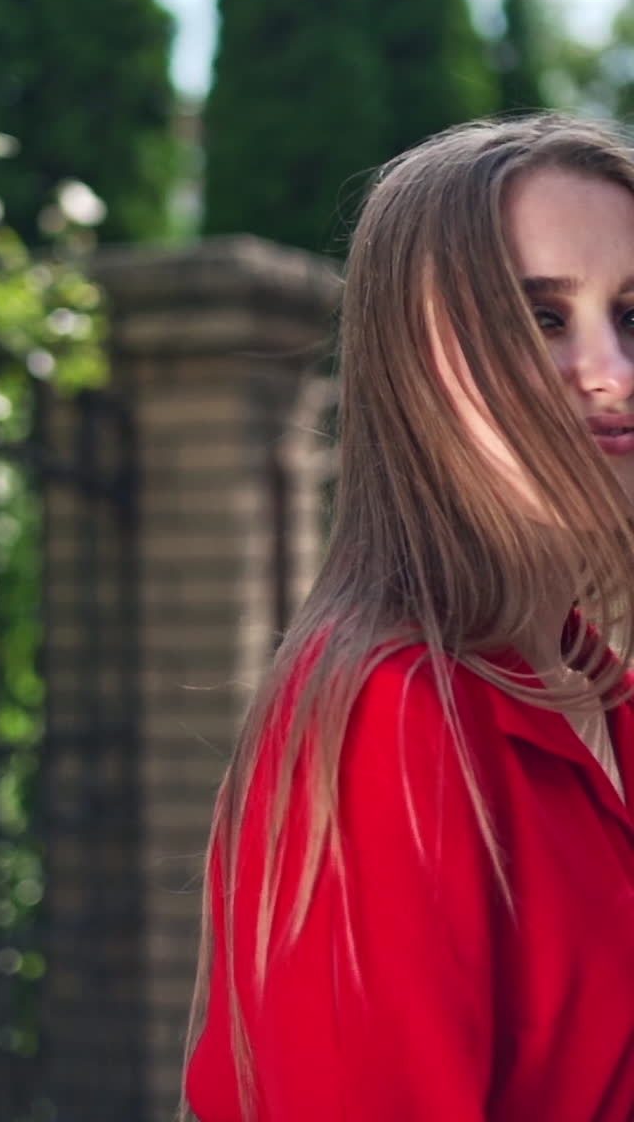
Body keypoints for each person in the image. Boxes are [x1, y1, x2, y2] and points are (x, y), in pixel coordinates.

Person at [182, 115, 634, 1122]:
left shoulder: (598, 691)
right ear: (423, 368)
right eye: (544, 319)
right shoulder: (392, 721)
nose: (613, 371)